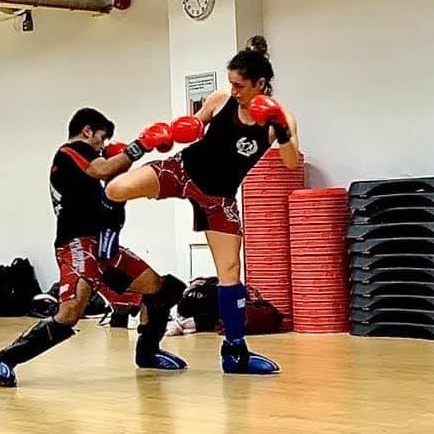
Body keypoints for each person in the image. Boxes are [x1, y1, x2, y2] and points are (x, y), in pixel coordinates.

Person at [104, 36, 301, 375]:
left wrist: (281, 130)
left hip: (218, 197)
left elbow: (291, 162)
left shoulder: (279, 119)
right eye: (231, 83)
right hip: (182, 170)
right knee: (116, 189)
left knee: (230, 272)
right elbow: (194, 127)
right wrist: (171, 133)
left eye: (240, 84)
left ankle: (235, 353)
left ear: (260, 83)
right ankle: (105, 252)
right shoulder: (221, 98)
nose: (234, 90)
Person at [0, 108, 188, 387]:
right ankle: (3, 360)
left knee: (162, 289)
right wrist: (142, 145)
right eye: (101, 139)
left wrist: (126, 159)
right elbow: (101, 168)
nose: (103, 146)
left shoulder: (88, 165)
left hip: (104, 247)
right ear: (88, 131)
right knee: (70, 312)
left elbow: (112, 182)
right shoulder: (70, 151)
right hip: (77, 244)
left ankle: (148, 352)